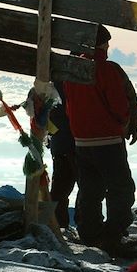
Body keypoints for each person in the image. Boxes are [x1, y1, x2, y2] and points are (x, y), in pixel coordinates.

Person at [63, 24, 137, 255]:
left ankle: (90, 233)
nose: (108, 46)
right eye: (106, 42)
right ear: (101, 44)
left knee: (90, 189)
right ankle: (113, 235)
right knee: (121, 188)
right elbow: (120, 105)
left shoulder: (72, 71)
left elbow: (69, 108)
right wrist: (124, 125)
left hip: (81, 140)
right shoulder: (108, 70)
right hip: (108, 140)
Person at [48, 82, 75, 229]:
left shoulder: (50, 86)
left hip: (59, 144)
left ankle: (58, 224)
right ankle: (88, 228)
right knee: (89, 189)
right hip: (80, 142)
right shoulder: (80, 80)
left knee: (59, 188)